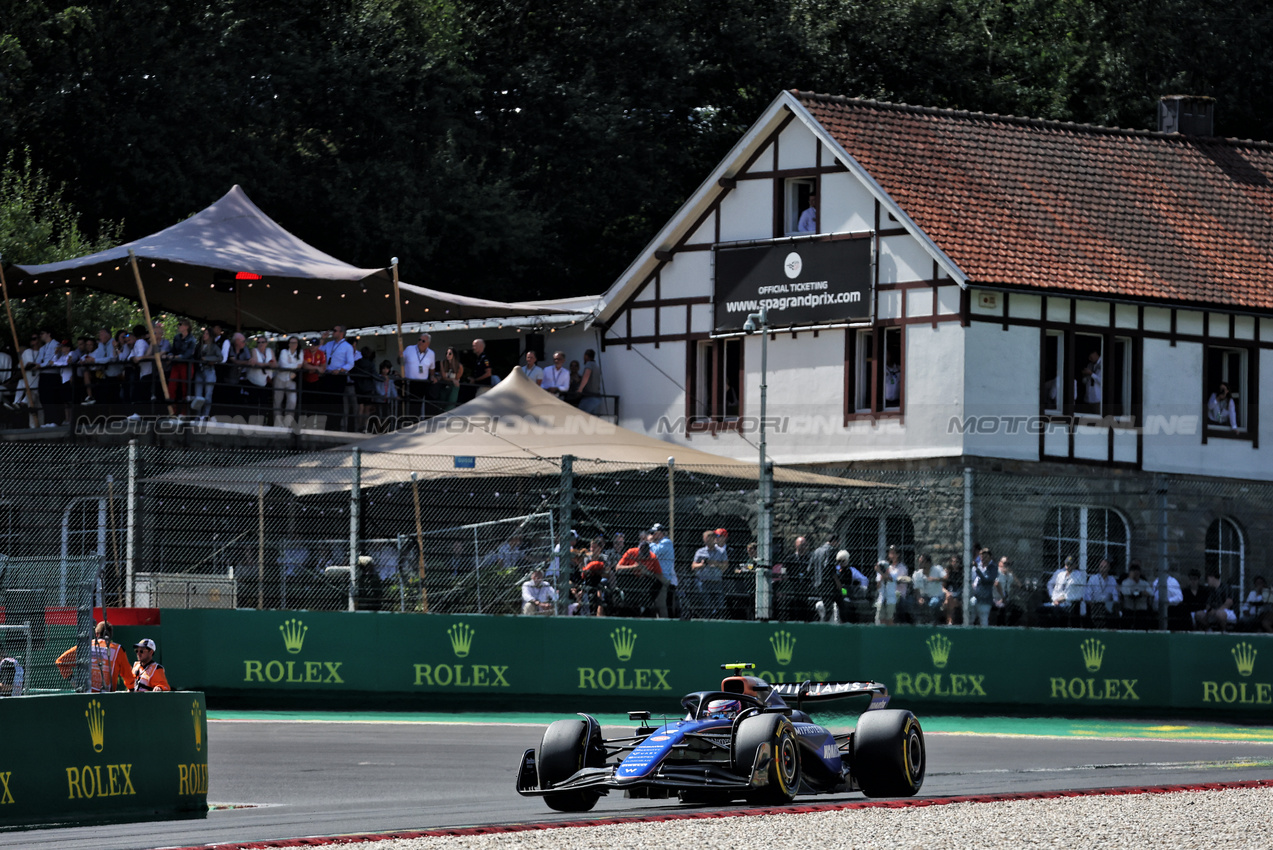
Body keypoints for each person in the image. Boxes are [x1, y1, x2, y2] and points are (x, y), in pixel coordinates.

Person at [55, 621, 136, 693]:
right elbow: (128, 676)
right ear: (111, 635)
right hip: (107, 697)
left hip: (85, 693)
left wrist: (74, 682)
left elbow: (60, 661)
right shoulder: (118, 650)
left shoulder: (85, 646)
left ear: (96, 634)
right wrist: (131, 689)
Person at [616, 539, 666, 617]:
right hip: (631, 581)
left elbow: (660, 576)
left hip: (645, 582)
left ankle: (647, 608)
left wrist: (647, 572)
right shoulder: (631, 552)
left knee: (658, 584)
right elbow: (618, 568)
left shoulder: (653, 557)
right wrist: (633, 567)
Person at [690, 529, 726, 618]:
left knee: (720, 605)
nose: (707, 541)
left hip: (716, 581)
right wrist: (701, 565)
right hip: (703, 582)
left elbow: (725, 566)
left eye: (709, 539)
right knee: (706, 604)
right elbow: (693, 566)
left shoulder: (721, 551)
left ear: (714, 539)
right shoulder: (700, 552)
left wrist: (715, 563)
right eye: (706, 539)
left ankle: (719, 621)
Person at [647, 523, 680, 619]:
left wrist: (650, 542)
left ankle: (666, 624)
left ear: (661, 533)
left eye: (654, 533)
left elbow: (655, 553)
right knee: (656, 603)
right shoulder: (658, 544)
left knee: (663, 604)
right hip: (657, 577)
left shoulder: (666, 542)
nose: (652, 535)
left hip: (664, 579)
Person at [402, 333, 437, 413]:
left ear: (428, 344)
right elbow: (400, 362)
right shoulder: (409, 349)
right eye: (419, 340)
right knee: (407, 405)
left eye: (423, 341)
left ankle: (416, 422)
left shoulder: (431, 354)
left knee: (418, 406)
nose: (420, 342)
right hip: (408, 382)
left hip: (422, 383)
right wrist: (399, 357)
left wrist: (432, 376)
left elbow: (432, 368)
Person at [191, 327, 222, 418]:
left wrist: (208, 359)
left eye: (206, 334)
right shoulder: (199, 345)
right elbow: (195, 356)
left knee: (208, 395)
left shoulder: (214, 347)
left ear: (211, 336)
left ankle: (205, 415)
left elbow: (220, 358)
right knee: (198, 395)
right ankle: (198, 415)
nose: (204, 335)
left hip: (209, 370)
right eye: (204, 333)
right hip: (199, 371)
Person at [274, 336, 303, 427]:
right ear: (288, 344)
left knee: (292, 401)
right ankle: (278, 424)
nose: (293, 344)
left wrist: (290, 365)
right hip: (280, 379)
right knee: (277, 401)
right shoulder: (284, 352)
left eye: (295, 343)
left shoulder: (300, 353)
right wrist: (295, 365)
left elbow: (300, 364)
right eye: (291, 342)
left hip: (291, 380)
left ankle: (288, 424)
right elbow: (283, 364)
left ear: (297, 344)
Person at [833, 550, 869, 624]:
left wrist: (861, 590)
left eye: (843, 561)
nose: (841, 563)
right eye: (839, 561)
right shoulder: (835, 570)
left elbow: (864, 580)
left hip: (845, 594)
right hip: (837, 595)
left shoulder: (851, 570)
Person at [1086, 558, 1120, 628]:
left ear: (1109, 568)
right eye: (1101, 566)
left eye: (1105, 567)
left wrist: (1115, 603)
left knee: (1112, 612)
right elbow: (1087, 594)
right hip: (1096, 604)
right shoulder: (1093, 578)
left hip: (1108, 605)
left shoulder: (1112, 579)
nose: (1103, 568)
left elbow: (1115, 594)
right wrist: (1091, 603)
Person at [1120, 561, 1153, 630]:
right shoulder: (1126, 582)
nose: (1136, 574)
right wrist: (1136, 592)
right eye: (1134, 572)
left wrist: (1143, 593)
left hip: (1141, 609)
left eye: (1137, 572)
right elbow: (1125, 592)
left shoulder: (1144, 583)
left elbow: (1151, 592)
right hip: (1129, 609)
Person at [969, 548, 996, 627]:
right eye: (982, 556)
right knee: (970, 618)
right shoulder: (976, 567)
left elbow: (986, 579)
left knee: (983, 620)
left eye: (985, 557)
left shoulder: (993, 568)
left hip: (985, 599)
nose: (983, 559)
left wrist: (977, 569)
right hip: (975, 597)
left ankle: (985, 637)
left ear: (990, 557)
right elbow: (971, 580)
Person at [577, 349, 605, 415]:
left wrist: (580, 389)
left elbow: (586, 376)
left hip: (589, 398)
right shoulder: (596, 366)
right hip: (597, 398)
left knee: (580, 416)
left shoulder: (589, 364)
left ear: (586, 356)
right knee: (592, 420)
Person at [437, 347, 464, 412]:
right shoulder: (443, 363)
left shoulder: (459, 366)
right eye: (446, 353)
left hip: (453, 387)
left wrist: (452, 380)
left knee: (450, 405)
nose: (447, 355)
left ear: (454, 355)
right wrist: (452, 379)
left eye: (450, 353)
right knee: (441, 404)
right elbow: (444, 377)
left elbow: (457, 379)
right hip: (444, 386)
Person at [872, 559, 897, 625]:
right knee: (881, 618)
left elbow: (890, 579)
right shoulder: (879, 575)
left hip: (890, 599)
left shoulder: (894, 573)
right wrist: (880, 579)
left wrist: (880, 572)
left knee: (890, 618)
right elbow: (878, 587)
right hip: (881, 599)